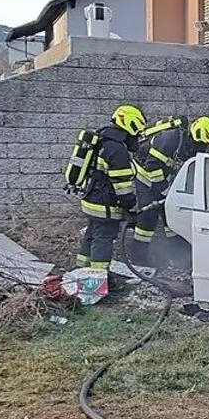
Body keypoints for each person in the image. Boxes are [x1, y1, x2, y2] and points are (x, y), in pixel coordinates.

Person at [130, 115, 209, 264]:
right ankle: (138, 259)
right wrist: (165, 192)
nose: (202, 148)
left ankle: (177, 255)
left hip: (162, 176)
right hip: (145, 175)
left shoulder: (190, 145)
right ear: (195, 136)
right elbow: (153, 167)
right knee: (148, 218)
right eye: (202, 144)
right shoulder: (170, 139)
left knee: (170, 214)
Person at [76, 105, 144, 291]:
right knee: (103, 240)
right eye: (137, 130)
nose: (137, 136)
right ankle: (96, 284)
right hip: (104, 205)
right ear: (130, 124)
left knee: (91, 235)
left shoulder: (102, 139)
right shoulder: (116, 149)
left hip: (91, 200)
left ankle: (81, 272)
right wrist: (131, 207)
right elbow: (122, 185)